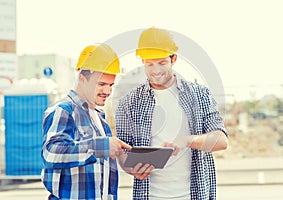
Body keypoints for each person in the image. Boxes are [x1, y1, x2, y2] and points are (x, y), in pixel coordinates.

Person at [115, 27, 228, 200]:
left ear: (173, 59)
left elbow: (221, 141)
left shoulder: (200, 95)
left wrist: (187, 140)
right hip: (150, 195)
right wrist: (129, 168)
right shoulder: (128, 103)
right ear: (143, 61)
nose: (156, 71)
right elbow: (123, 152)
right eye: (149, 64)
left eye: (162, 63)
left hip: (194, 195)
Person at [41, 43, 132, 200]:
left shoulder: (100, 120)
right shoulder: (64, 110)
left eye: (111, 85)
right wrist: (100, 146)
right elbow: (51, 153)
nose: (107, 91)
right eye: (101, 84)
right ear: (82, 78)